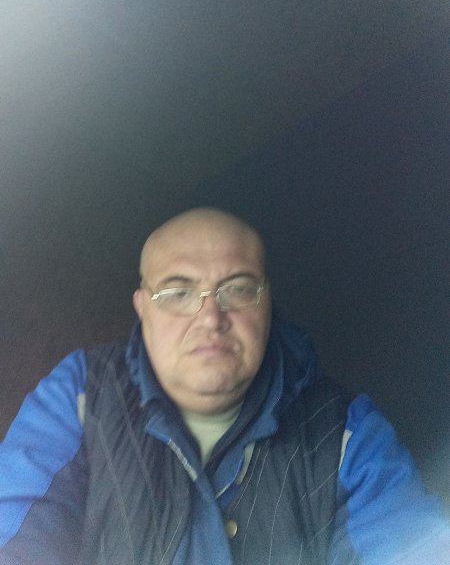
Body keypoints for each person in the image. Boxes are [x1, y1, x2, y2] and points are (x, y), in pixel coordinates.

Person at [0, 207, 449, 565]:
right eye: (177, 292)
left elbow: (411, 543)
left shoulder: (346, 432)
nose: (211, 318)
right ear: (142, 307)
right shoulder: (82, 394)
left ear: (267, 301)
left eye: (237, 289)